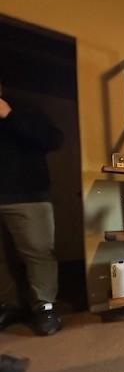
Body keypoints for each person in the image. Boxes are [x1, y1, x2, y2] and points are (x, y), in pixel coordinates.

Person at [0, 80, 63, 335]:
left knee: (39, 252)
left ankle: (44, 306)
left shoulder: (25, 108)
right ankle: (10, 305)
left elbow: (53, 139)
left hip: (27, 194)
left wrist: (10, 116)